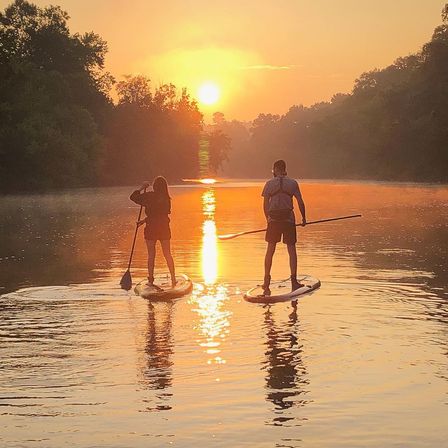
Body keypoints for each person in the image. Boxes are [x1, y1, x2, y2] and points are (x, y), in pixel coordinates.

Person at [261, 160, 306, 295]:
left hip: (273, 221)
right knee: (291, 249)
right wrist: (304, 218)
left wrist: (268, 219)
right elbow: (300, 201)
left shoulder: (269, 184)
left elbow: (265, 205)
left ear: (275, 169)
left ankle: (266, 281)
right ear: (285, 169)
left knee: (270, 249)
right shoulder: (293, 183)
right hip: (288, 220)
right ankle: (294, 280)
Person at [130, 177, 176, 288]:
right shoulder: (166, 198)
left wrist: (142, 187)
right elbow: (161, 215)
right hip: (164, 228)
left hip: (151, 229)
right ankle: (173, 278)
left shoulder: (149, 196)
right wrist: (143, 221)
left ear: (154, 186)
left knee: (151, 255)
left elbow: (133, 197)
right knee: (167, 254)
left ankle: (150, 280)